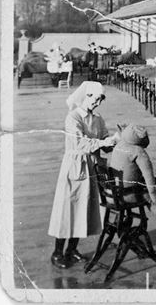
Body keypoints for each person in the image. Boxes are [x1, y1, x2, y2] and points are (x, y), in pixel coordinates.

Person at [47, 81, 118, 269]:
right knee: (67, 210)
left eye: (101, 99)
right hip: (75, 168)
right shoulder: (73, 118)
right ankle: (57, 253)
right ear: (86, 96)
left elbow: (104, 140)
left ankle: (72, 250)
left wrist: (114, 142)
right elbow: (80, 144)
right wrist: (103, 143)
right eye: (96, 99)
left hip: (92, 168)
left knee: (82, 210)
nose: (98, 103)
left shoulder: (97, 118)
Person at [109, 124, 156, 205]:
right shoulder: (138, 151)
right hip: (127, 195)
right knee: (154, 192)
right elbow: (149, 178)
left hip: (111, 193)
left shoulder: (119, 144)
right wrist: (154, 198)